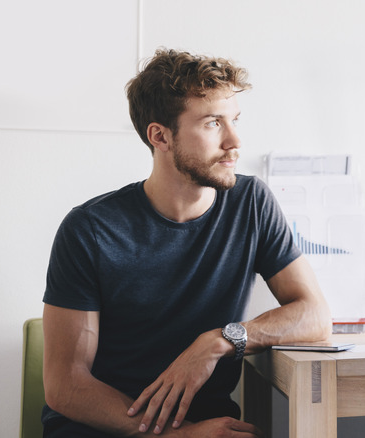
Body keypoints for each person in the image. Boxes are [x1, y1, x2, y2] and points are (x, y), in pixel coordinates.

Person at [41, 48, 332, 437]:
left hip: (209, 425)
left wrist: (218, 341)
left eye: (235, 120)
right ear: (160, 136)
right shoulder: (90, 229)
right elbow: (66, 387)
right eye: (213, 123)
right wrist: (176, 436)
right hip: (104, 428)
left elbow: (315, 315)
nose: (235, 141)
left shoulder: (251, 203)